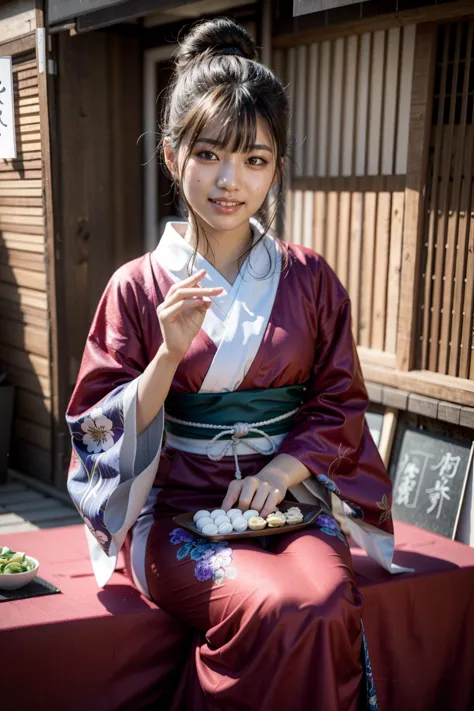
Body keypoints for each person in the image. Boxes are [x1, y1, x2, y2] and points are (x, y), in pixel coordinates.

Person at [66, 18, 396, 711]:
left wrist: (282, 469)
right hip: (176, 511)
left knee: (329, 603)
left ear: (277, 167)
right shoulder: (136, 286)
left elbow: (340, 400)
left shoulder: (310, 278)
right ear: (170, 153)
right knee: (277, 609)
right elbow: (98, 428)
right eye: (210, 153)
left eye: (254, 159)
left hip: (289, 505)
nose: (229, 181)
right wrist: (166, 354)